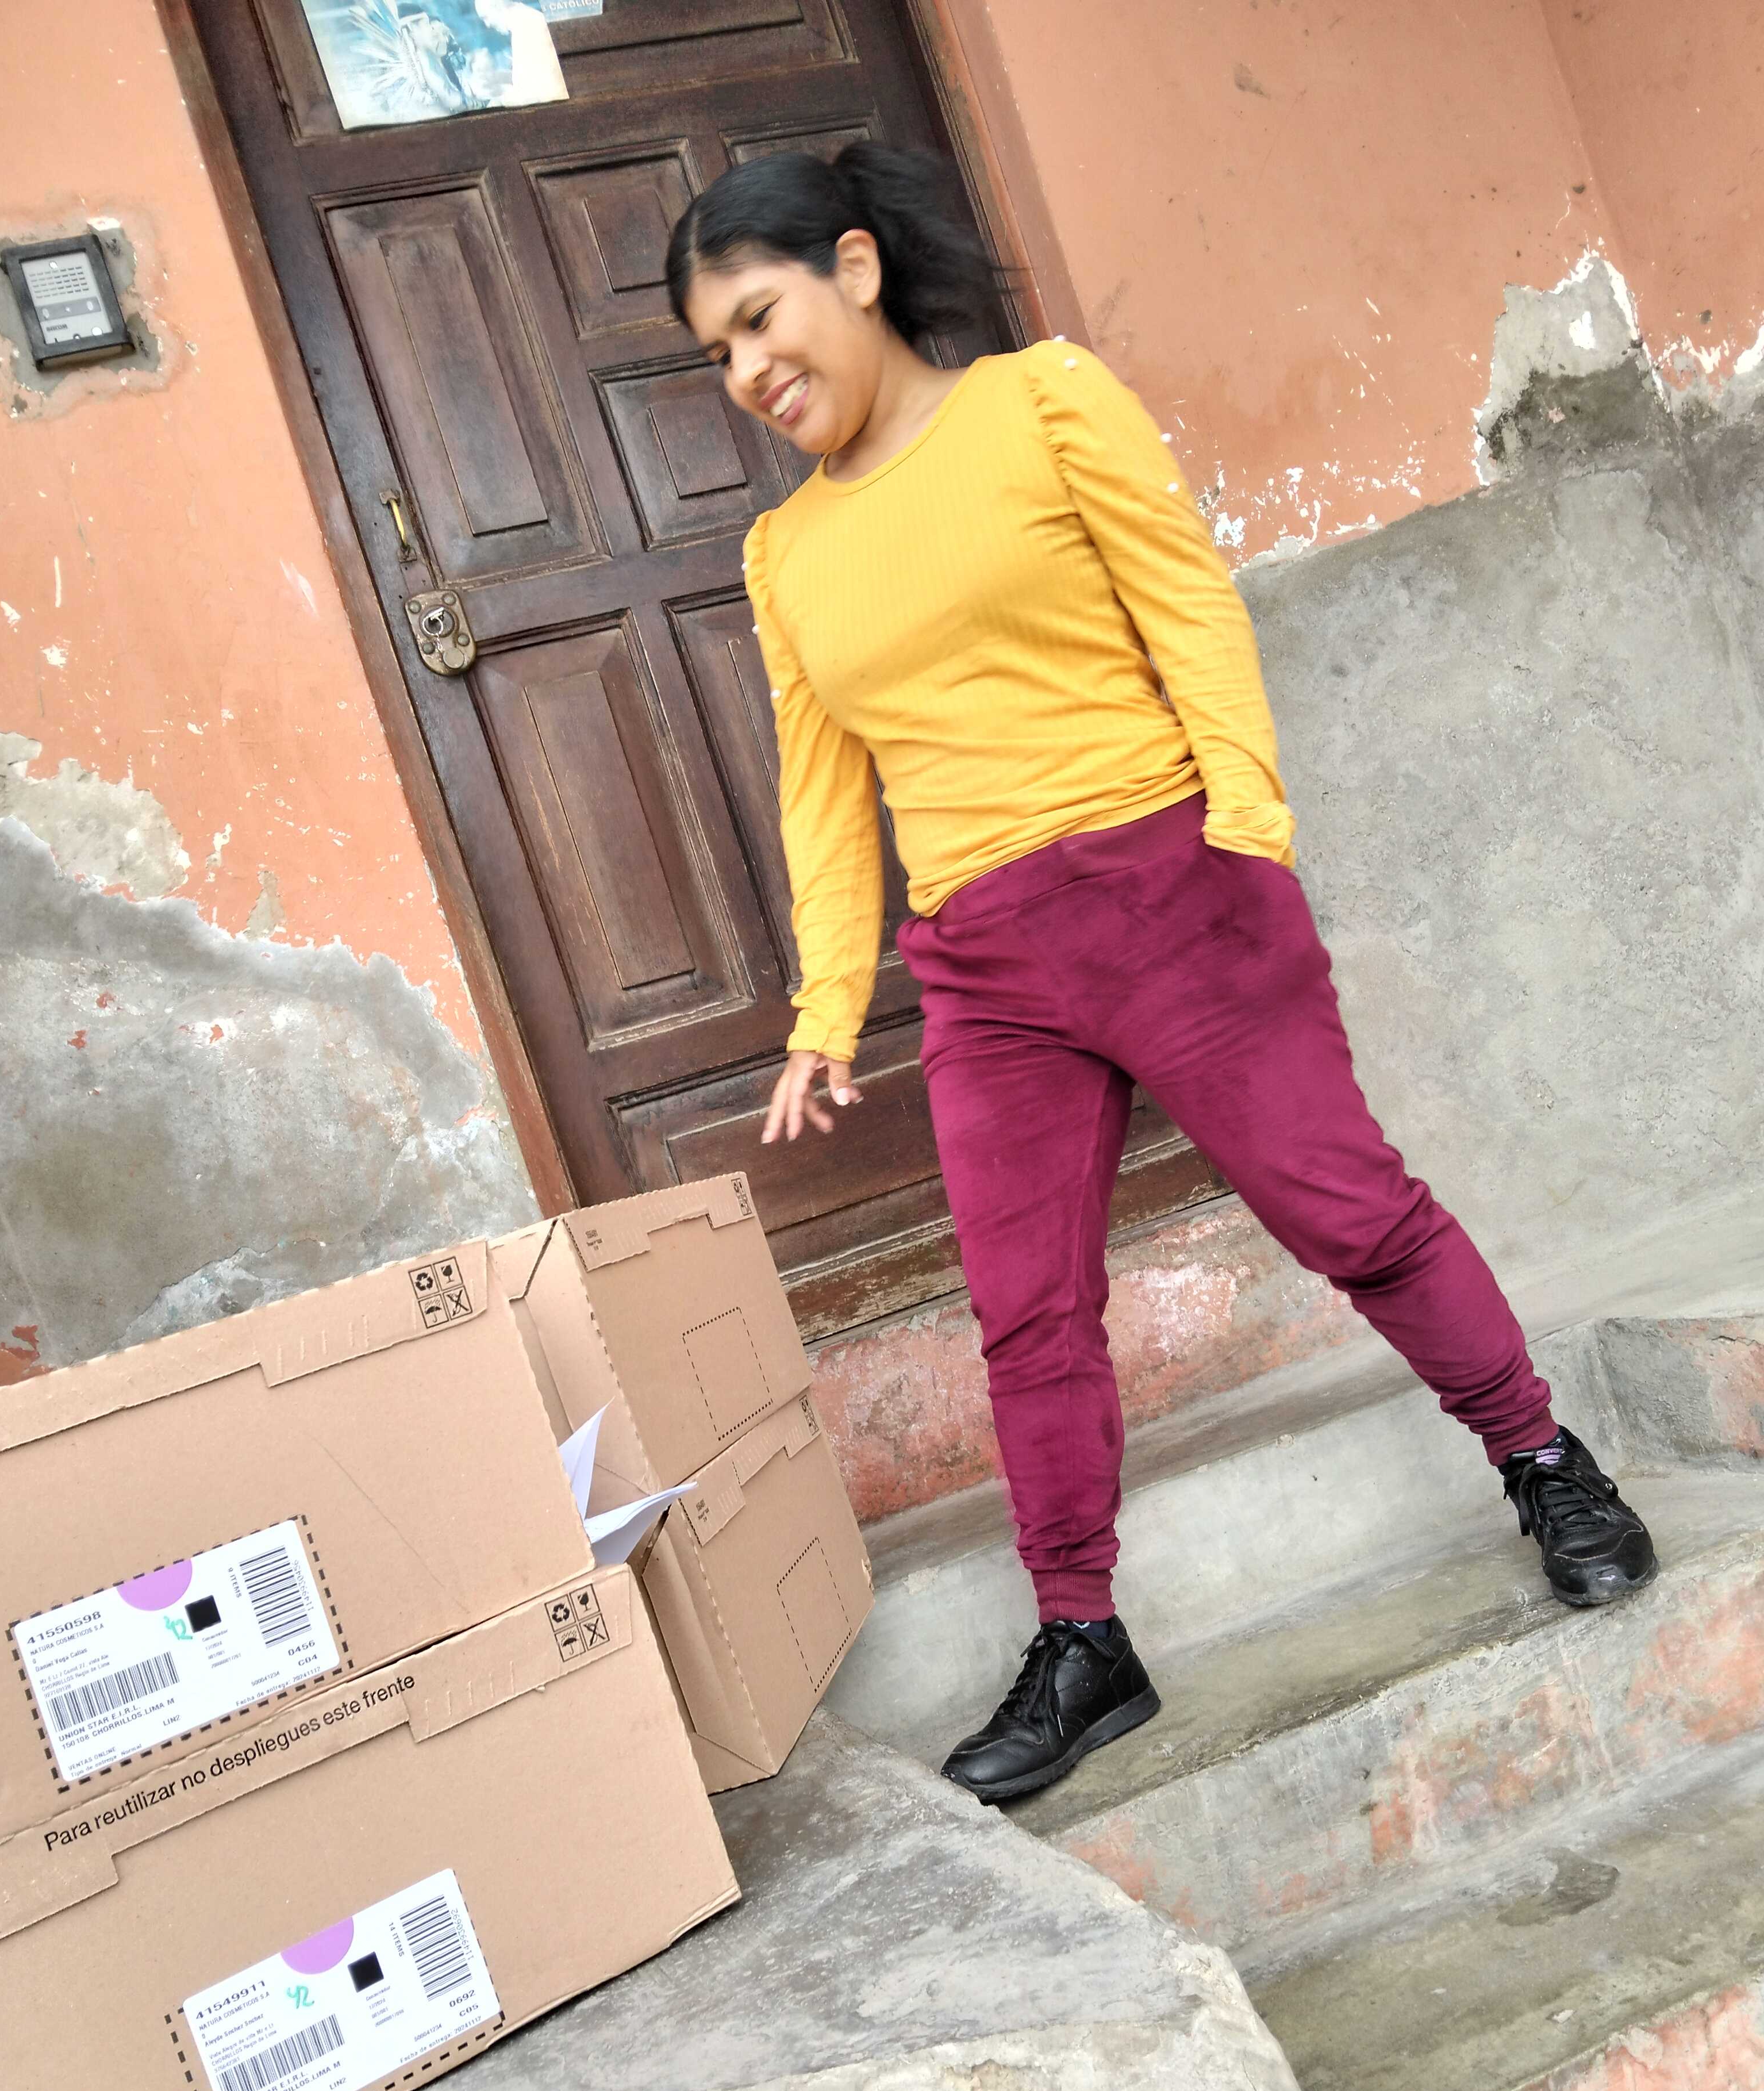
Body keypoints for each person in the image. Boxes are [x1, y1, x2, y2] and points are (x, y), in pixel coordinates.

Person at [666, 145, 1659, 1806]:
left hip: (1169, 888)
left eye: (759, 318)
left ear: (854, 269)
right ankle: (1084, 1642)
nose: (749, 371)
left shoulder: (1043, 405)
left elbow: (1188, 607)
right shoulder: (788, 558)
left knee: (1351, 1214)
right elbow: (822, 792)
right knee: (1028, 1316)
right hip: (984, 968)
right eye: (717, 354)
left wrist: (1244, 835)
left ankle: (1545, 1461)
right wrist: (826, 1008)